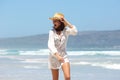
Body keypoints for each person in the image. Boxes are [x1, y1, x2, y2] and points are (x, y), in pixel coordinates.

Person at [48, 13, 77, 80]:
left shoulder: (66, 31)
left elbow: (75, 32)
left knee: (67, 77)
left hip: (64, 56)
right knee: (55, 79)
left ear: (60, 22)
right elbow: (50, 45)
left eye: (55, 21)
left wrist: (66, 21)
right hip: (54, 57)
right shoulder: (51, 32)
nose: (53, 22)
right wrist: (57, 56)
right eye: (53, 21)